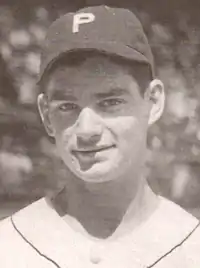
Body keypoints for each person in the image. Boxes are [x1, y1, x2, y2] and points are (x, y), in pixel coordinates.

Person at [0, 5, 200, 268]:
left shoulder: (191, 247)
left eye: (110, 102)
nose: (87, 130)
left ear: (153, 101)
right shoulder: (9, 245)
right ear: (46, 115)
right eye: (67, 106)